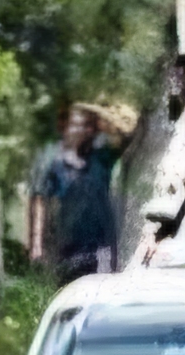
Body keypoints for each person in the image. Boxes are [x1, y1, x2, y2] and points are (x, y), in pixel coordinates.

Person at [29, 104, 124, 281]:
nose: (81, 130)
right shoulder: (54, 161)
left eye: (86, 126)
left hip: (101, 246)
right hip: (67, 247)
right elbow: (39, 199)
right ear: (64, 127)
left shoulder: (101, 157)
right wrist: (36, 245)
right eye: (76, 124)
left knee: (101, 296)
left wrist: (102, 115)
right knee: (71, 296)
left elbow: (124, 137)